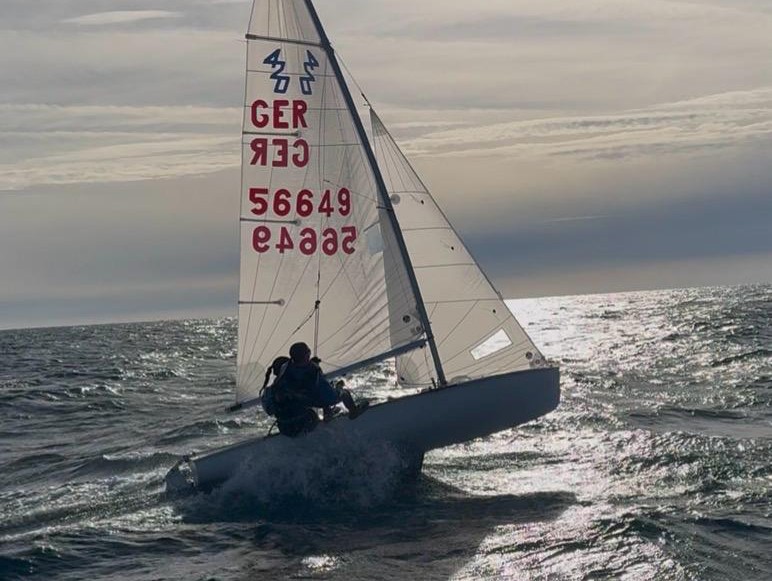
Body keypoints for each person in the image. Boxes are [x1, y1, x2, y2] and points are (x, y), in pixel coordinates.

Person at [271, 342, 369, 438]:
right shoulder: (313, 369)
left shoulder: (286, 368)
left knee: (320, 392)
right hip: (314, 399)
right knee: (343, 393)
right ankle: (353, 412)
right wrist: (337, 389)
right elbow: (326, 392)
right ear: (306, 356)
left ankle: (328, 414)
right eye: (308, 352)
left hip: (301, 402)